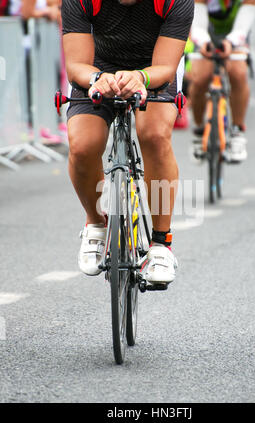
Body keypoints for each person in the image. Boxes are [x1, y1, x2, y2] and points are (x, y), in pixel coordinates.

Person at [61, 0, 194, 284]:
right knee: (83, 144)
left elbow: (166, 67)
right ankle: (96, 224)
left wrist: (140, 77)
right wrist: (98, 78)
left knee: (154, 135)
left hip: (153, 68)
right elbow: (75, 65)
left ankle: (161, 244)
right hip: (97, 67)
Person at [189, 0, 255, 163]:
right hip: (205, 33)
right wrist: (205, 43)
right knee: (200, 79)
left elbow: (242, 27)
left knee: (238, 73)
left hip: (235, 34)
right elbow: (197, 25)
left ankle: (237, 132)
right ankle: (199, 132)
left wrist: (231, 43)